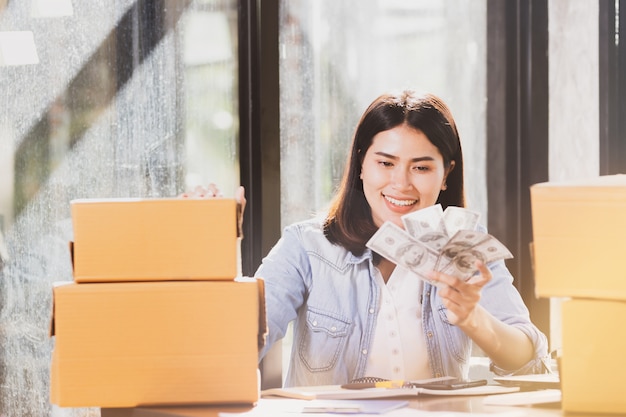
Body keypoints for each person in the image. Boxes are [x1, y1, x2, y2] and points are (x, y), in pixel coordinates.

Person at [189, 90, 549, 387]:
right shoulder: (307, 247)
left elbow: (528, 359)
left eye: (421, 167)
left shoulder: (464, 244)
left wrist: (473, 318)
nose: (401, 183)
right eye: (386, 163)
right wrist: (209, 259)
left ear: (445, 175)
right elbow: (235, 347)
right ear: (361, 164)